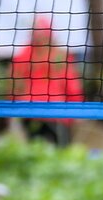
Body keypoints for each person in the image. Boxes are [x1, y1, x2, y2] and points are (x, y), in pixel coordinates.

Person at [10, 13, 84, 145]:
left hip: (41, 111)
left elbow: (14, 86)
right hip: (49, 111)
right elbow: (72, 86)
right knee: (59, 151)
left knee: (40, 152)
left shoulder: (25, 56)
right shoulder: (57, 56)